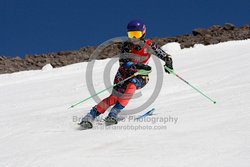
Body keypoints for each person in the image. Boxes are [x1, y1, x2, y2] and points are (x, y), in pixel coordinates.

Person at [79, 20, 173, 128]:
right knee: (114, 98)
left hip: (140, 75)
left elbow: (164, 55)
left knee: (132, 85)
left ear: (143, 33)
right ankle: (91, 115)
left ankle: (113, 113)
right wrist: (137, 66)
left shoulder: (149, 45)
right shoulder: (127, 45)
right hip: (123, 74)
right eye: (131, 34)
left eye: (136, 34)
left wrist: (168, 62)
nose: (134, 38)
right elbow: (123, 62)